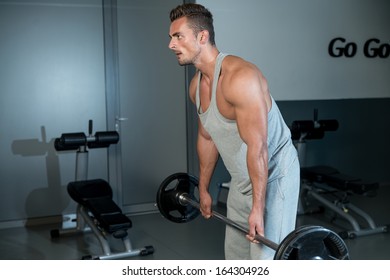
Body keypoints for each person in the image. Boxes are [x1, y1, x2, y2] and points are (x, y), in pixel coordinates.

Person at [168, 3, 300, 260]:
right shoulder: (196, 86)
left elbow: (258, 147)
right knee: (236, 259)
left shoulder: (241, 78)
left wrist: (258, 208)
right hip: (242, 179)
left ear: (202, 37)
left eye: (178, 36)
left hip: (274, 176)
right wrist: (203, 189)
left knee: (265, 261)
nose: (171, 45)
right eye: (171, 37)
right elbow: (207, 138)